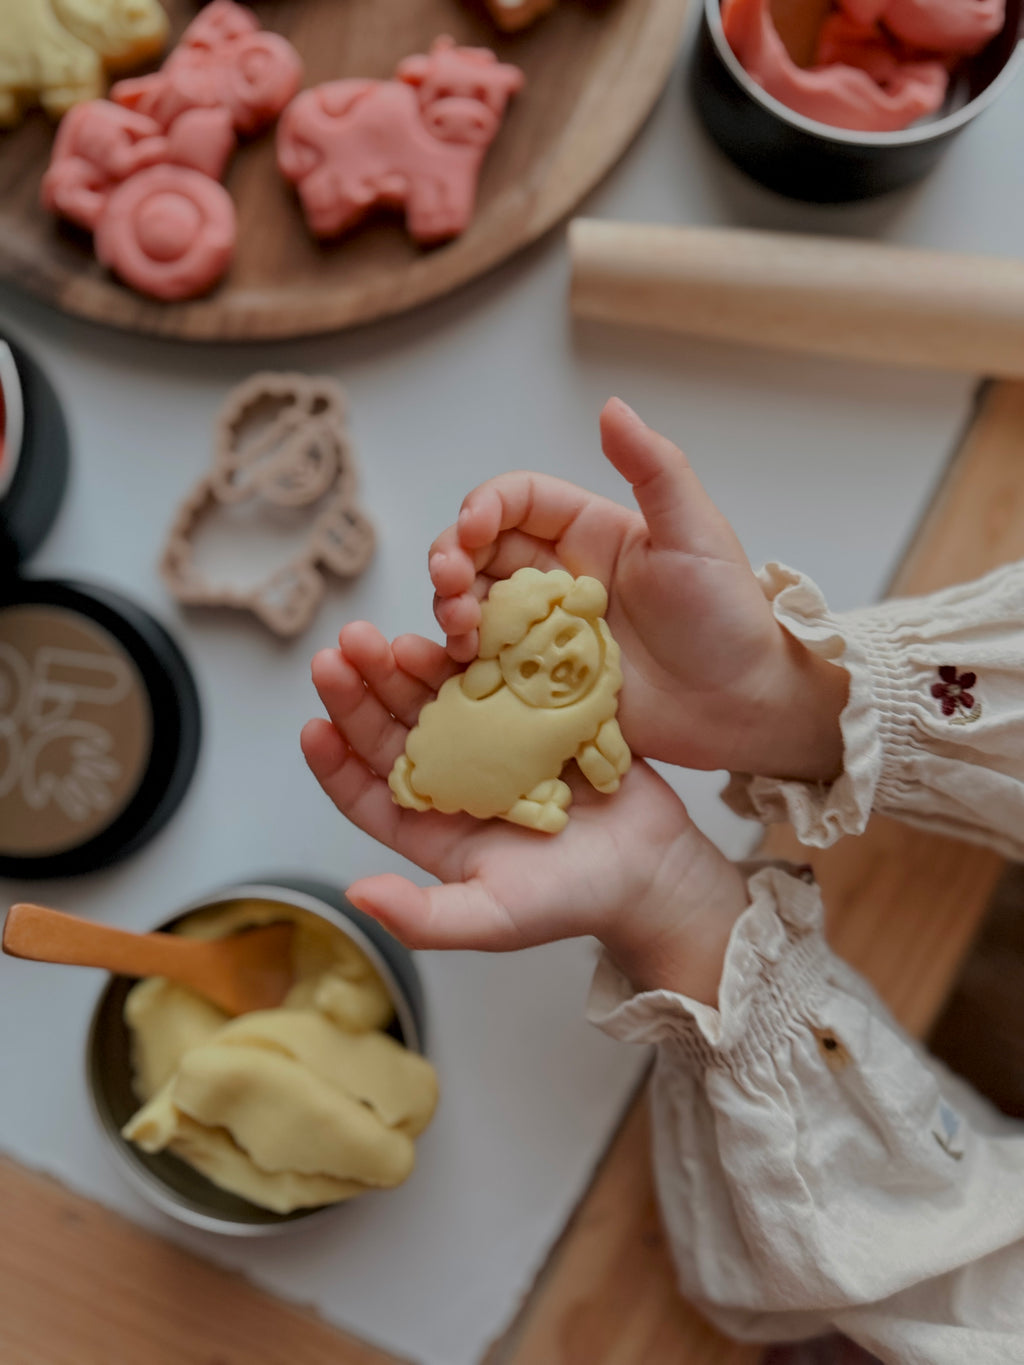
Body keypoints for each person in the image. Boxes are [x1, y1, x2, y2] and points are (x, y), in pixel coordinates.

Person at [301, 398, 1024, 1365]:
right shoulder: (514, 708)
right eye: (537, 656)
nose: (559, 663)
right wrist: (791, 700)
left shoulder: (582, 714)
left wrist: (681, 913)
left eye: (564, 652)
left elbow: (936, 1292)